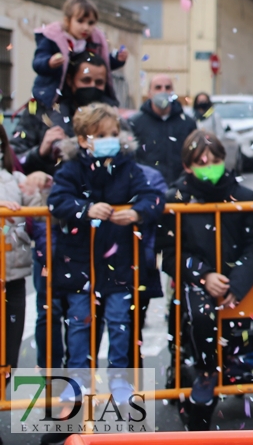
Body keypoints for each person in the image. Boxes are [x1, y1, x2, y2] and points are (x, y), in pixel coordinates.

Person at [46, 104, 162, 410]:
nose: (111, 139)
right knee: (80, 323)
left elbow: (153, 198)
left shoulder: (128, 166)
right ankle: (78, 381)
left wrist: (136, 212)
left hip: (120, 261)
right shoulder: (71, 168)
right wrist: (86, 209)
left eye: (114, 133)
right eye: (101, 135)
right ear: (84, 140)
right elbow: (57, 201)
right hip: (79, 262)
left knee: (120, 322)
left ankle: (119, 380)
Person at [157, 130, 253, 430]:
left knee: (242, 325)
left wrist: (237, 281)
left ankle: (238, 368)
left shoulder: (245, 197)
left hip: (235, 279)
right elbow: (169, 251)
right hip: (194, 277)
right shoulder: (174, 199)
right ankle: (205, 373)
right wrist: (203, 275)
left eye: (215, 160)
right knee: (201, 318)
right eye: (201, 161)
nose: (209, 166)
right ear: (188, 166)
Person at [12, 50, 116, 176]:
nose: (92, 87)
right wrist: (40, 152)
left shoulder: (113, 117)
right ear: (70, 80)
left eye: (99, 83)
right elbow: (12, 158)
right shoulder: (42, 111)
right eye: (86, 80)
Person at [31, 0, 126, 108]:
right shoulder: (53, 39)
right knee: (61, 120)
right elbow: (37, 62)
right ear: (67, 21)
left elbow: (101, 64)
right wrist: (49, 63)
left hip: (84, 95)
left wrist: (117, 59)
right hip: (56, 95)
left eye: (91, 23)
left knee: (110, 111)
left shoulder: (93, 41)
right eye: (80, 21)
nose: (85, 27)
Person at [0, 123, 44, 374]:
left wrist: (43, 184)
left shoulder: (15, 178)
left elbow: (40, 216)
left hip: (12, 278)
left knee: (8, 359)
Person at [129, 74, 197, 185]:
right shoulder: (135, 123)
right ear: (149, 93)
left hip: (180, 187)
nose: (163, 91)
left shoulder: (187, 123)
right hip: (147, 187)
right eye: (158, 87)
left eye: (168, 87)